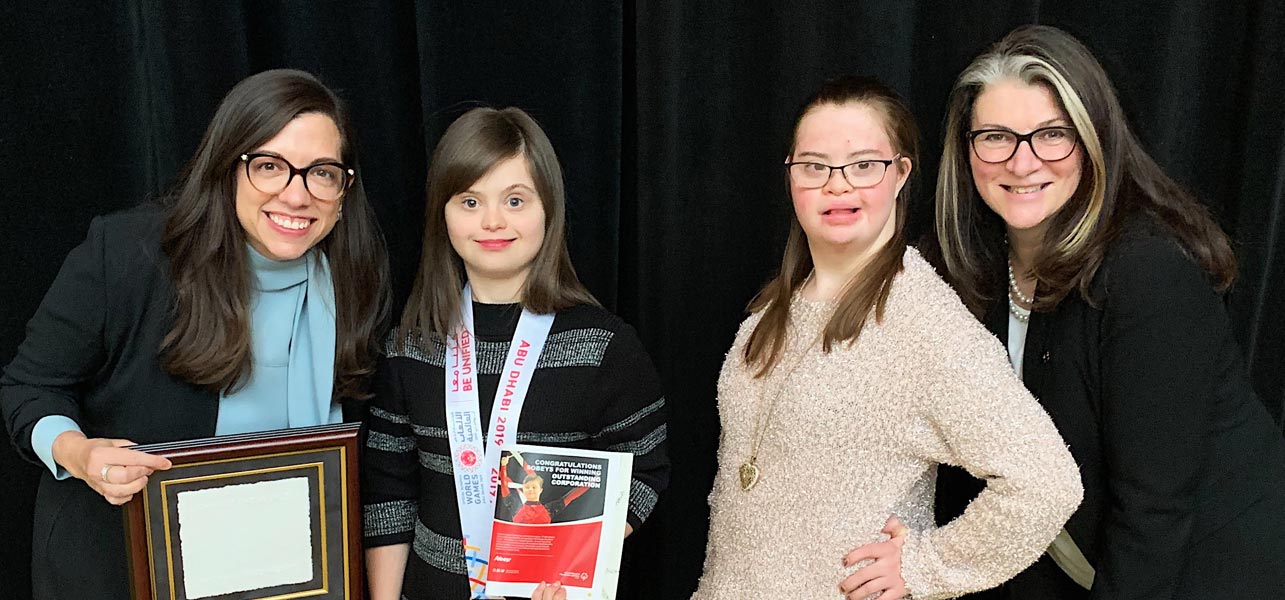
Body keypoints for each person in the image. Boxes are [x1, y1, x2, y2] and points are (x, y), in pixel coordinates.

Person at [0, 68, 390, 600]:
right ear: (228, 168)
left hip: (286, 573)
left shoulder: (353, 279)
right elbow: (28, 387)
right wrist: (77, 453)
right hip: (123, 569)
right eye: (270, 166)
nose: (296, 195)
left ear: (344, 189)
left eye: (320, 172)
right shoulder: (129, 256)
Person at [691, 75, 1081, 600]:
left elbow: (1047, 483)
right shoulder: (770, 311)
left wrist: (925, 567)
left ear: (900, 174)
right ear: (791, 177)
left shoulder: (924, 324)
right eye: (815, 166)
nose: (837, 185)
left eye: (863, 165)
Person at [931, 24, 1285, 599]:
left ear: (1094, 142)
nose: (1021, 163)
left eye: (1052, 135)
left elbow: (1154, 512)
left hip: (1216, 570)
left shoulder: (1147, 275)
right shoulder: (970, 273)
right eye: (995, 136)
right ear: (966, 149)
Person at [361, 106, 669, 600]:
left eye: (515, 200)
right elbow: (389, 497)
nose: (492, 221)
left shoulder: (604, 347)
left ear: (548, 208)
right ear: (442, 215)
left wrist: (570, 559)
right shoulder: (410, 345)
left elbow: (645, 470)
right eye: (469, 201)